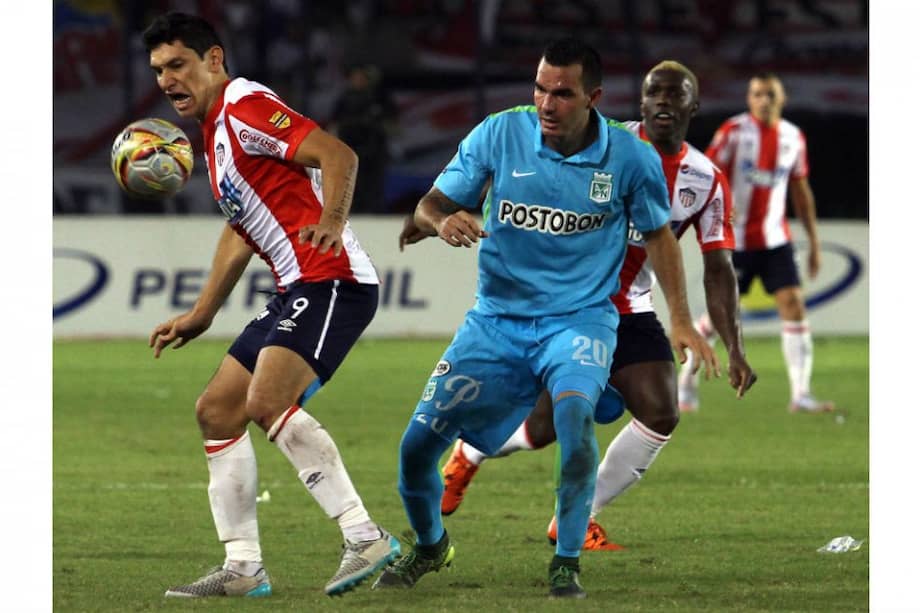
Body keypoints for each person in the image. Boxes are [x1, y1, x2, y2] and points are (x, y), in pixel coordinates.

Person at [372, 39, 718, 599]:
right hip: (496, 322)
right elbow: (431, 203)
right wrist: (440, 221)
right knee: (414, 450)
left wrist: (680, 318)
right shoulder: (500, 133)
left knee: (576, 423)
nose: (546, 103)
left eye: (562, 93)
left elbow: (659, 235)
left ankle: (566, 559)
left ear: (593, 98)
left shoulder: (630, 159)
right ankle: (432, 546)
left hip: (580, 321)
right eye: (539, 88)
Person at [427, 61, 757, 549]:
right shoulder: (604, 142)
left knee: (661, 411)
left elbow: (718, 268)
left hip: (630, 308)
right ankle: (469, 453)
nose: (663, 102)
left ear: (693, 106)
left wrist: (734, 346)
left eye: (674, 94)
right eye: (653, 93)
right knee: (541, 430)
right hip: (564, 304)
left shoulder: (705, 180)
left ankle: (574, 519)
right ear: (639, 102)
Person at [143, 12, 399, 598]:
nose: (166, 80)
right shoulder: (213, 133)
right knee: (217, 410)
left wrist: (333, 222)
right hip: (296, 286)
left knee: (267, 400)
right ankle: (243, 567)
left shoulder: (245, 105)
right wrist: (202, 312)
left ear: (213, 59)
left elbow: (339, 156)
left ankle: (365, 537)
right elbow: (240, 230)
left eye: (177, 64)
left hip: (332, 278)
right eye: (158, 70)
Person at [677, 72, 834, 414]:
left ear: (783, 99)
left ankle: (801, 395)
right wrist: (701, 217)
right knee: (720, 318)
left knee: (793, 304)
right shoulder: (734, 132)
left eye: (770, 94)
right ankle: (686, 381)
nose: (764, 100)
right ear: (749, 99)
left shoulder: (794, 137)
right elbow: (704, 173)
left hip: (776, 240)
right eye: (758, 94)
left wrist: (815, 241)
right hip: (736, 241)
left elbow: (800, 191)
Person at [328, 63, 399, 213]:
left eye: (361, 77)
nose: (358, 80)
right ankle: (351, 214)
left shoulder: (380, 98)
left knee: (373, 186)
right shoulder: (345, 99)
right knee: (351, 185)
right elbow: (334, 124)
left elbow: (394, 123)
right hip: (350, 149)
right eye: (355, 77)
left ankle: (375, 214)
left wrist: (377, 125)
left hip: (374, 150)